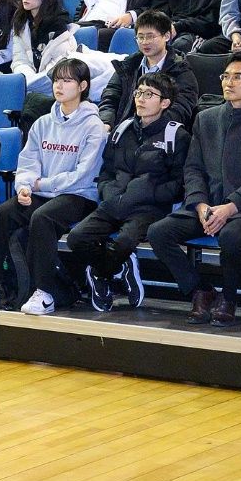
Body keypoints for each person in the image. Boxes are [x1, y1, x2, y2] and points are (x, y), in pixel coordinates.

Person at [146, 53, 241, 327]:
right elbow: (193, 168)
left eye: (238, 77)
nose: (229, 82)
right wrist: (200, 205)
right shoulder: (206, 119)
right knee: (158, 231)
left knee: (232, 236)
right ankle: (200, 289)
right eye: (225, 76)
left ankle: (230, 298)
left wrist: (230, 207)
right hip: (207, 207)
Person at [0, 58, 107, 312]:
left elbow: (83, 174)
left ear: (83, 86)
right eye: (56, 80)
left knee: (42, 218)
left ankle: (45, 293)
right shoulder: (43, 122)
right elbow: (28, 159)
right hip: (42, 190)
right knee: (2, 214)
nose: (59, 86)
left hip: (79, 195)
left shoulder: (94, 126)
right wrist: (25, 186)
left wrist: (42, 184)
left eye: (67, 80)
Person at [63, 72, 188, 313]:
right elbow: (107, 170)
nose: (140, 99)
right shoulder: (122, 129)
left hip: (148, 207)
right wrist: (107, 191)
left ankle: (100, 274)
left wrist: (151, 193)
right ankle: (119, 267)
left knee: (125, 241)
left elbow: (180, 182)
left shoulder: (176, 135)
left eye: (149, 94)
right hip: (114, 202)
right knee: (76, 238)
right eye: (138, 93)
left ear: (165, 103)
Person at [97, 9, 198, 128]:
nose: (145, 42)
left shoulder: (180, 69)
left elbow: (182, 108)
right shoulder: (128, 65)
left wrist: (148, 127)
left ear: (166, 36)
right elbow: (110, 97)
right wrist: (106, 122)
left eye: (150, 37)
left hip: (159, 133)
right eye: (140, 37)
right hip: (124, 131)